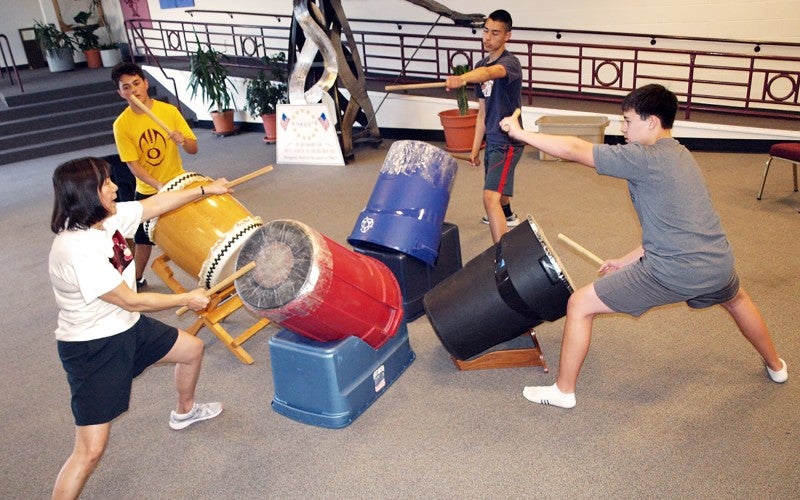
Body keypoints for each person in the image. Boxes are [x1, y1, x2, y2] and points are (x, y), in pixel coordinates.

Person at [498, 84, 788, 409]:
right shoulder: (681, 154)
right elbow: (675, 225)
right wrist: (627, 260)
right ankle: (776, 366)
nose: (622, 128)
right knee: (736, 300)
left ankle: (563, 391)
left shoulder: (642, 158)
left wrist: (521, 133)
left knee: (579, 304)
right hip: (718, 263)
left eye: (627, 120)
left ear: (651, 122)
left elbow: (575, 149)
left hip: (673, 271)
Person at [49, 157, 229, 499]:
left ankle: (185, 411)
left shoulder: (108, 219)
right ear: (87, 193)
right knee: (90, 451)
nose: (116, 187)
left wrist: (207, 189)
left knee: (191, 349)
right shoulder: (75, 249)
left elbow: (155, 204)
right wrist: (186, 299)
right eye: (106, 184)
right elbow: (130, 300)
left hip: (127, 327)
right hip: (94, 347)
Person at [111, 62, 199, 288]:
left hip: (178, 182)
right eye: (127, 87)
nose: (134, 90)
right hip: (148, 189)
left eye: (137, 83)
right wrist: (158, 185)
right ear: (121, 93)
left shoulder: (169, 112)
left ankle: (209, 277)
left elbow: (193, 149)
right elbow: (133, 166)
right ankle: (136, 279)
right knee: (142, 241)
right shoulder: (122, 125)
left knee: (191, 233)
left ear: (146, 83)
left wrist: (184, 140)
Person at [445, 9, 525, 243]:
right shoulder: (479, 66)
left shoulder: (510, 63)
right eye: (486, 31)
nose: (488, 37)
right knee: (498, 186)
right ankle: (508, 215)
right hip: (491, 139)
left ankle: (504, 256)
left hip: (508, 142)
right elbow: (482, 113)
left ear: (507, 36)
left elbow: (491, 72)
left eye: (495, 33)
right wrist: (473, 149)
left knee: (490, 197)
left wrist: (463, 78)